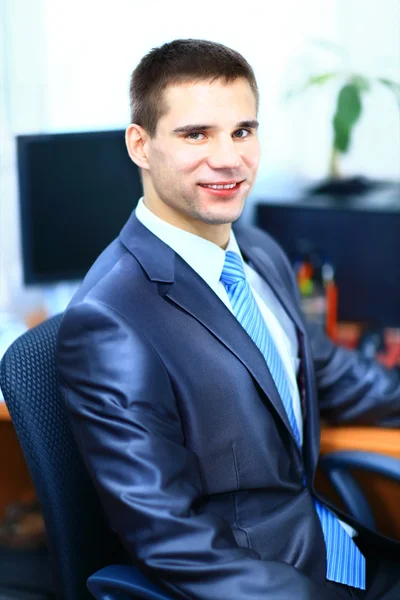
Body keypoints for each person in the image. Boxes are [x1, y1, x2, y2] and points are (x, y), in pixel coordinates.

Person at [56, 39, 400, 599]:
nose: (229, 158)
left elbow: (328, 371)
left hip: (338, 543)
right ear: (140, 145)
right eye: (196, 135)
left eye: (242, 131)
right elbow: (168, 537)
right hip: (270, 581)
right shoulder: (110, 321)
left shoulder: (257, 251)